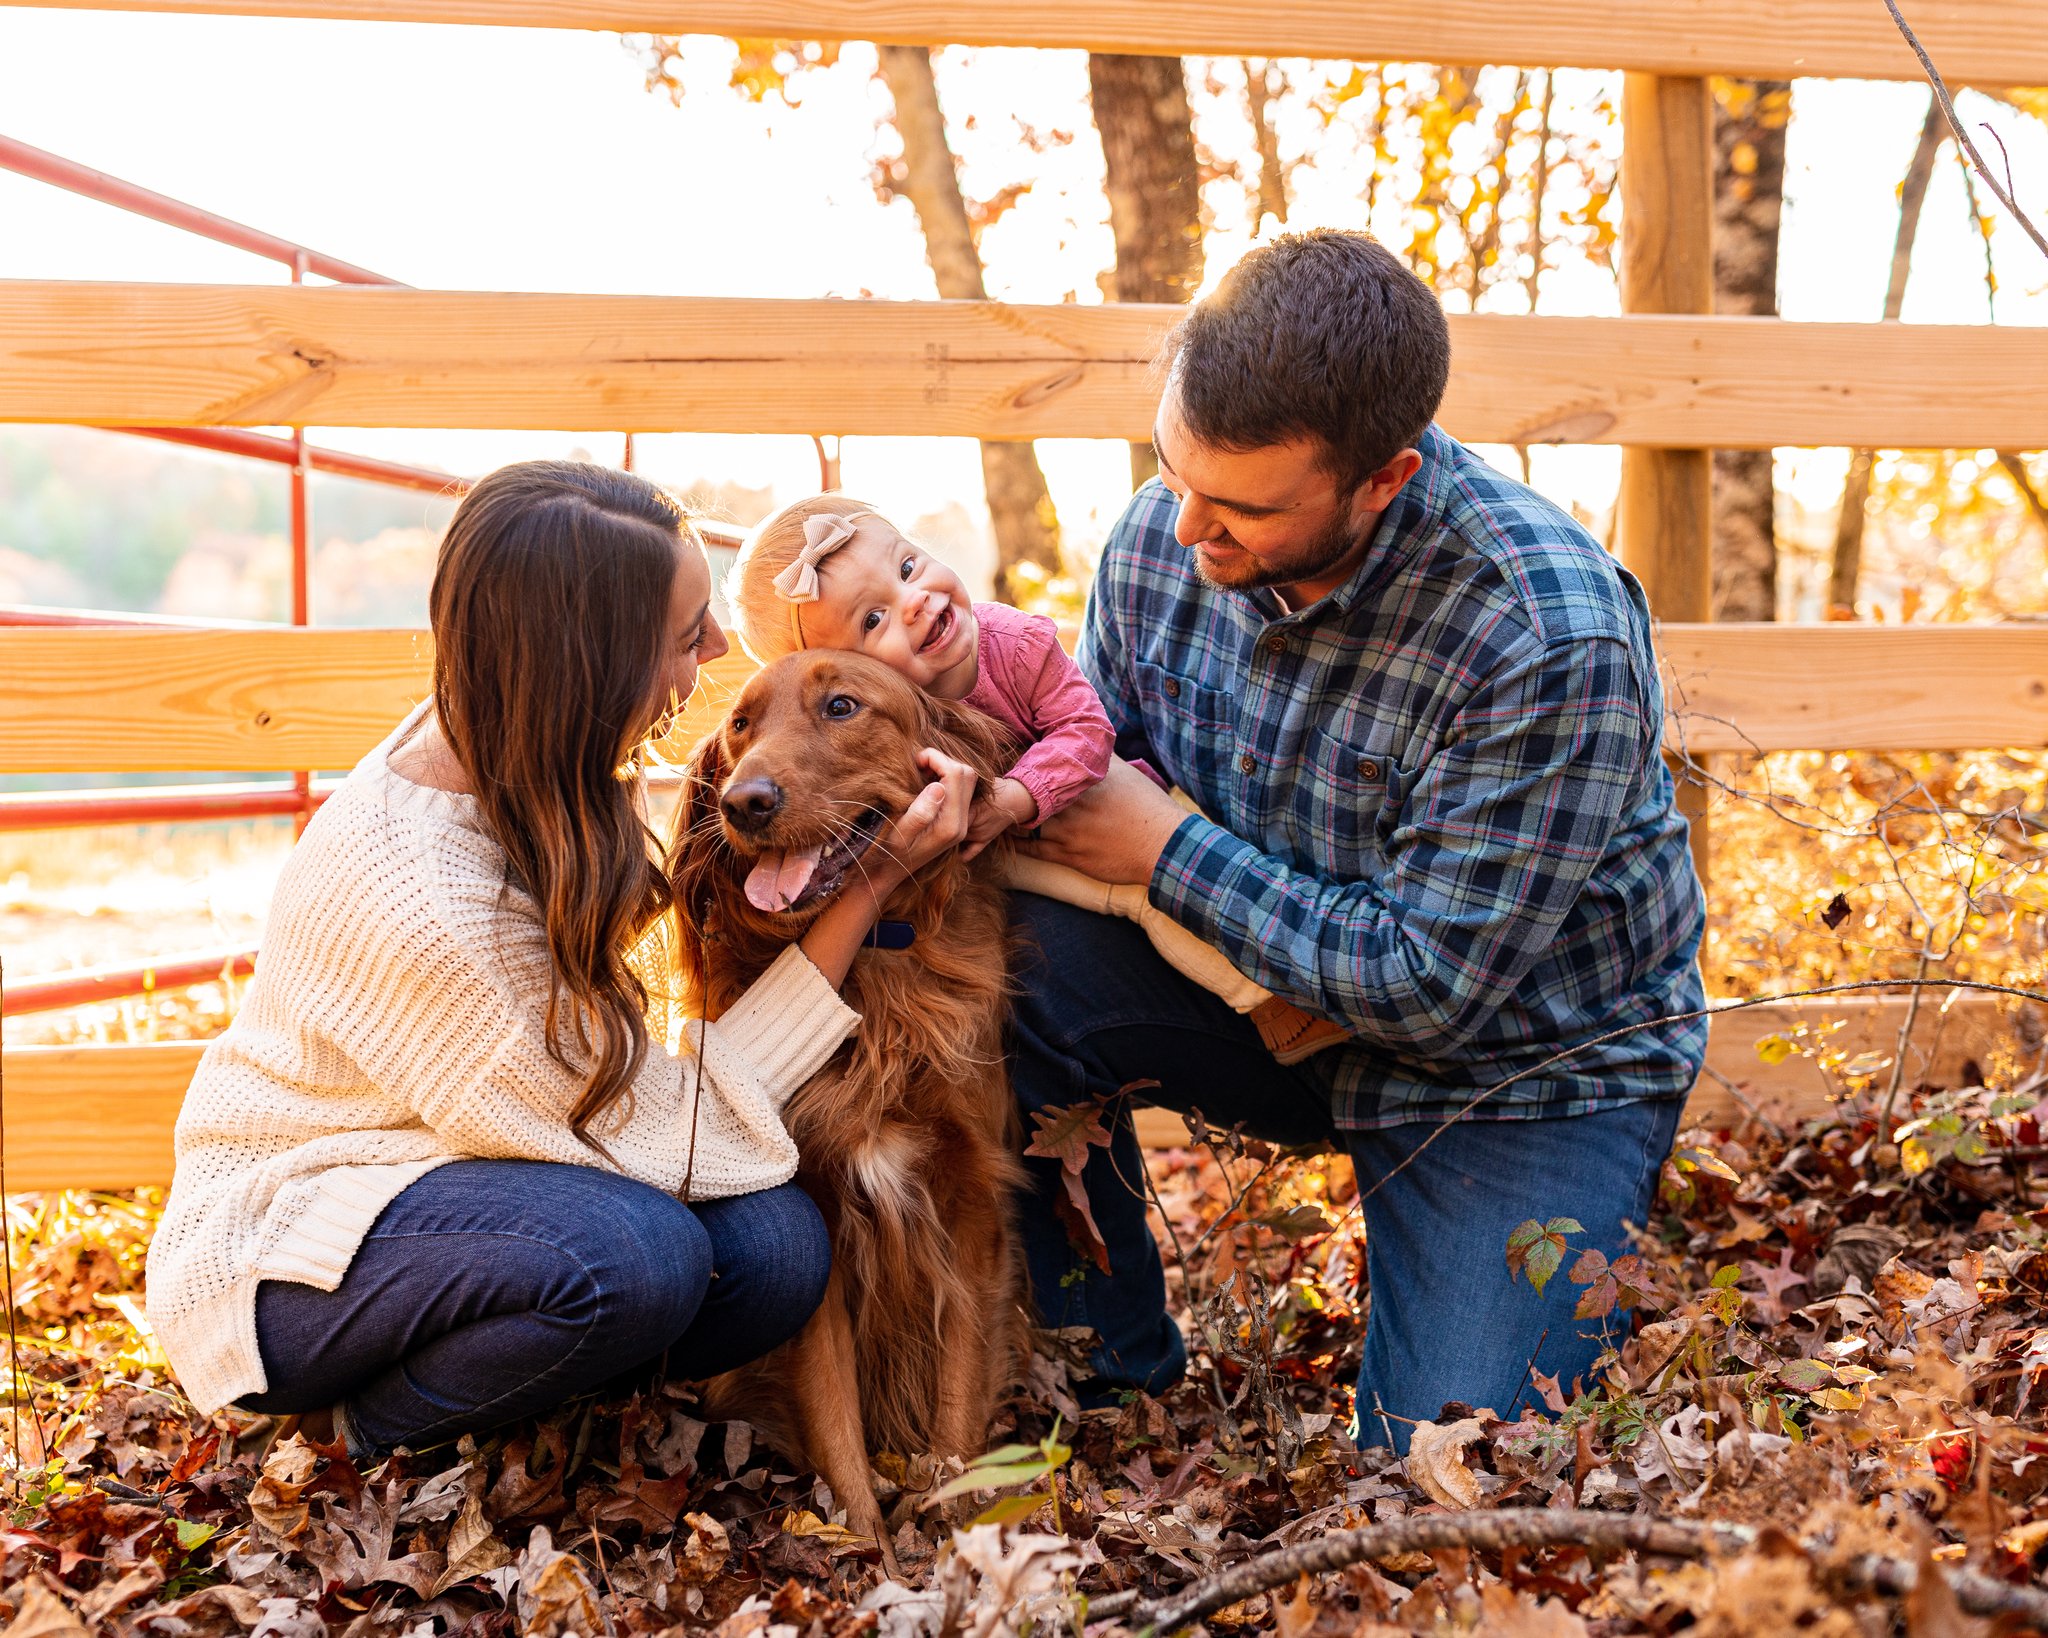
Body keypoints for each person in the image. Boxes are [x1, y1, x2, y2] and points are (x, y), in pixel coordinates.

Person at [1009, 230, 1708, 1442]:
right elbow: (1093, 789)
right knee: (996, 954)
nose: (1185, 533)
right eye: (1174, 471)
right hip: (1260, 1004)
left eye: (1240, 508)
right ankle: (1105, 1376)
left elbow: (1433, 988)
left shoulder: (1542, 635)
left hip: (1515, 1068)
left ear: (1382, 479)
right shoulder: (1158, 540)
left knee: (1445, 1464)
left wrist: (1166, 850)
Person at [144, 461, 977, 1458]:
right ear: (586, 667)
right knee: (640, 1256)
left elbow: (635, 1109)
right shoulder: (422, 898)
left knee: (777, 1250)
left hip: (468, 1174)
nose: (714, 652)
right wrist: (873, 889)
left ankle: (534, 1403)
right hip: (295, 1255)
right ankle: (360, 1434)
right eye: (683, 636)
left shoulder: (513, 758)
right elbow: (653, 1140)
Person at [723, 496, 1344, 1063]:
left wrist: (1016, 798)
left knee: (1138, 899)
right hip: (1007, 842)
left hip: (1088, 806)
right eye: (873, 620)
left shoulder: (1016, 643)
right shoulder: (899, 698)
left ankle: (1267, 999)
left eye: (909, 568)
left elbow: (1089, 730)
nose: (914, 601)